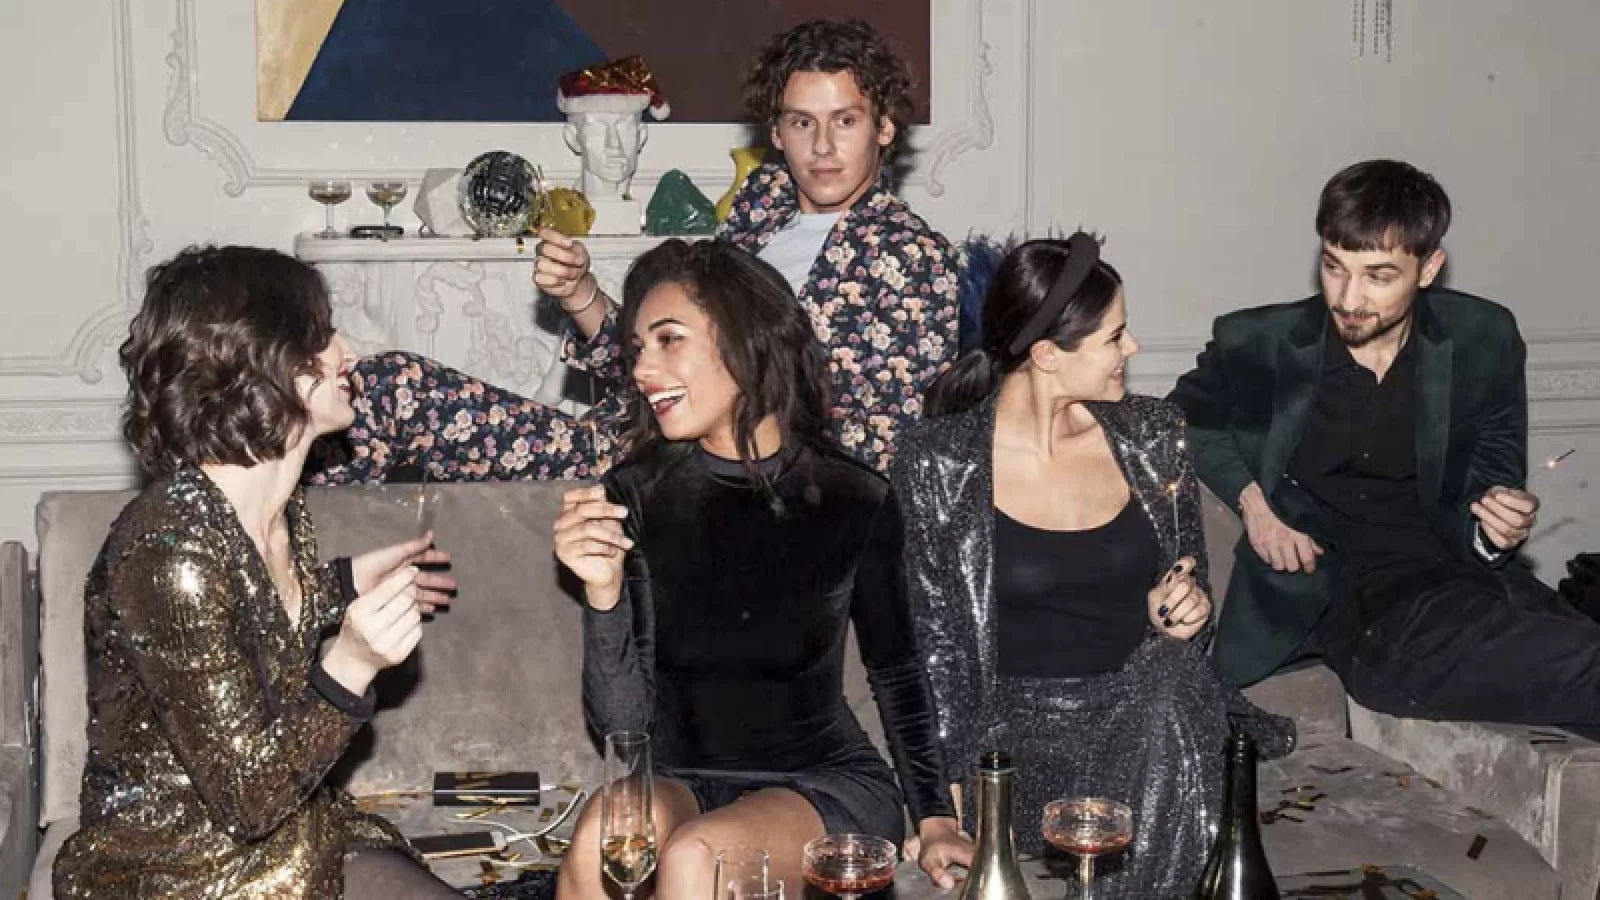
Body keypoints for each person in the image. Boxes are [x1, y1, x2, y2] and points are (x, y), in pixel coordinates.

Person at [308, 18, 958, 485]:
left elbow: (876, 448)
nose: (822, 147)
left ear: (884, 127)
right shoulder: (762, 205)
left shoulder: (913, 261)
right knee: (376, 391)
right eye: (801, 122)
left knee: (391, 389)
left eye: (846, 121)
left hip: (692, 474)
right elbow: (662, 359)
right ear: (777, 132)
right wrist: (582, 295)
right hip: (622, 434)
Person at [552, 239, 968, 900]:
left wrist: (936, 816)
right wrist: (602, 596)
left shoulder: (855, 497)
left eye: (668, 339)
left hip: (819, 782)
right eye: (637, 349)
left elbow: (898, 672)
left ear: (749, 340)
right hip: (680, 779)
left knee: (697, 858)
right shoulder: (636, 494)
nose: (643, 369)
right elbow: (621, 726)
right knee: (601, 835)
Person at [891, 234, 1292, 896]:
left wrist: (1181, 614)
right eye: (1114, 337)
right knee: (1169, 709)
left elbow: (1191, 598)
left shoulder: (1154, 437)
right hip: (1015, 738)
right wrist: (946, 804)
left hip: (1144, 713)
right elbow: (934, 648)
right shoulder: (938, 460)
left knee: (1172, 681)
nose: (1133, 349)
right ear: (1047, 354)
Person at [53, 246, 459, 899]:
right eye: (324, 335)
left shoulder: (272, 511)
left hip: (290, 837)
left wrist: (345, 582)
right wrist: (350, 667)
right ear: (271, 363)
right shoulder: (166, 553)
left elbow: (254, 617)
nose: (347, 352)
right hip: (180, 872)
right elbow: (248, 801)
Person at [1170, 159, 1599, 732]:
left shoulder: (1483, 337)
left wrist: (1496, 526)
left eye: (1378, 276)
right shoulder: (1258, 342)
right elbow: (1176, 422)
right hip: (1363, 607)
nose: (1349, 298)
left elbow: (1494, 469)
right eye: (1334, 267)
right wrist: (1254, 503)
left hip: (1471, 583)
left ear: (1429, 269)